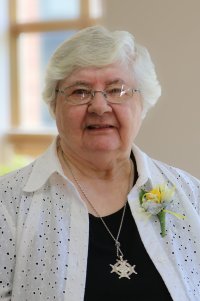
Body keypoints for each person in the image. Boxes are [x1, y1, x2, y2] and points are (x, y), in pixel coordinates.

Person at [0, 26, 200, 301]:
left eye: (117, 89)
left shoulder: (190, 194)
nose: (99, 106)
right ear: (53, 105)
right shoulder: (7, 205)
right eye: (80, 92)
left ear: (143, 103)